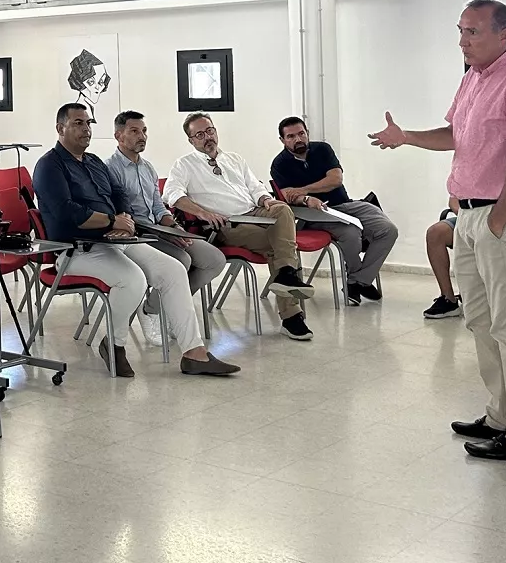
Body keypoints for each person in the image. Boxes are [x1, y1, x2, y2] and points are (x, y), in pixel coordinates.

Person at [370, 0, 506, 463]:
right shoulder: (474, 79)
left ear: (504, 35)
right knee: (480, 320)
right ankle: (501, 416)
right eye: (460, 30)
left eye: (472, 32)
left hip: (505, 217)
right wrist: (407, 136)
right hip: (470, 217)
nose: (462, 40)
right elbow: (456, 135)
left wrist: (498, 216)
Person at [36, 104, 236, 378]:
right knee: (134, 279)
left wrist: (123, 218)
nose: (86, 129)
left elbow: (117, 194)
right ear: (61, 128)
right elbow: (65, 211)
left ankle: (194, 353)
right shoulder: (49, 165)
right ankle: (114, 344)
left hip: (117, 240)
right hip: (77, 250)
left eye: (88, 123)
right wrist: (110, 222)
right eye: (78, 123)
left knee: (175, 270)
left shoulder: (93, 162)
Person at [163, 114, 317, 341]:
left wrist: (266, 200)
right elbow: (172, 195)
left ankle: (285, 274)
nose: (207, 137)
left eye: (210, 131)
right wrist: (203, 212)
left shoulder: (234, 158)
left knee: (283, 209)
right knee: (281, 245)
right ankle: (291, 315)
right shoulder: (184, 165)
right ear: (191, 140)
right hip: (226, 224)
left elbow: (255, 187)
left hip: (255, 212)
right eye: (200, 134)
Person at [270, 116, 399, 305]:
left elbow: (336, 179)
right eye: (290, 136)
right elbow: (288, 196)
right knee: (351, 233)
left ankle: (357, 280)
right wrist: (306, 198)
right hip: (313, 214)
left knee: (388, 230)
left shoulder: (322, 149)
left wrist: (304, 189)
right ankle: (358, 281)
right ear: (282, 141)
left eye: (301, 134)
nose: (298, 139)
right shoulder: (279, 164)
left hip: (345, 205)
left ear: (307, 133)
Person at [106, 110, 227, 297]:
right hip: (137, 234)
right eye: (135, 131)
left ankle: (160, 306)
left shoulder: (148, 168)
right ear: (118, 136)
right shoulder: (110, 169)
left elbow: (158, 207)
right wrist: (163, 234)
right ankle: (163, 309)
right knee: (182, 260)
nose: (142, 136)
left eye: (144, 131)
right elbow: (121, 214)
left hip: (159, 229)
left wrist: (174, 227)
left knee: (215, 259)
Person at [423, 200, 462, 320]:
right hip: (467, 216)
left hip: (503, 214)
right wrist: (466, 217)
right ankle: (448, 299)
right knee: (435, 233)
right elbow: (454, 200)